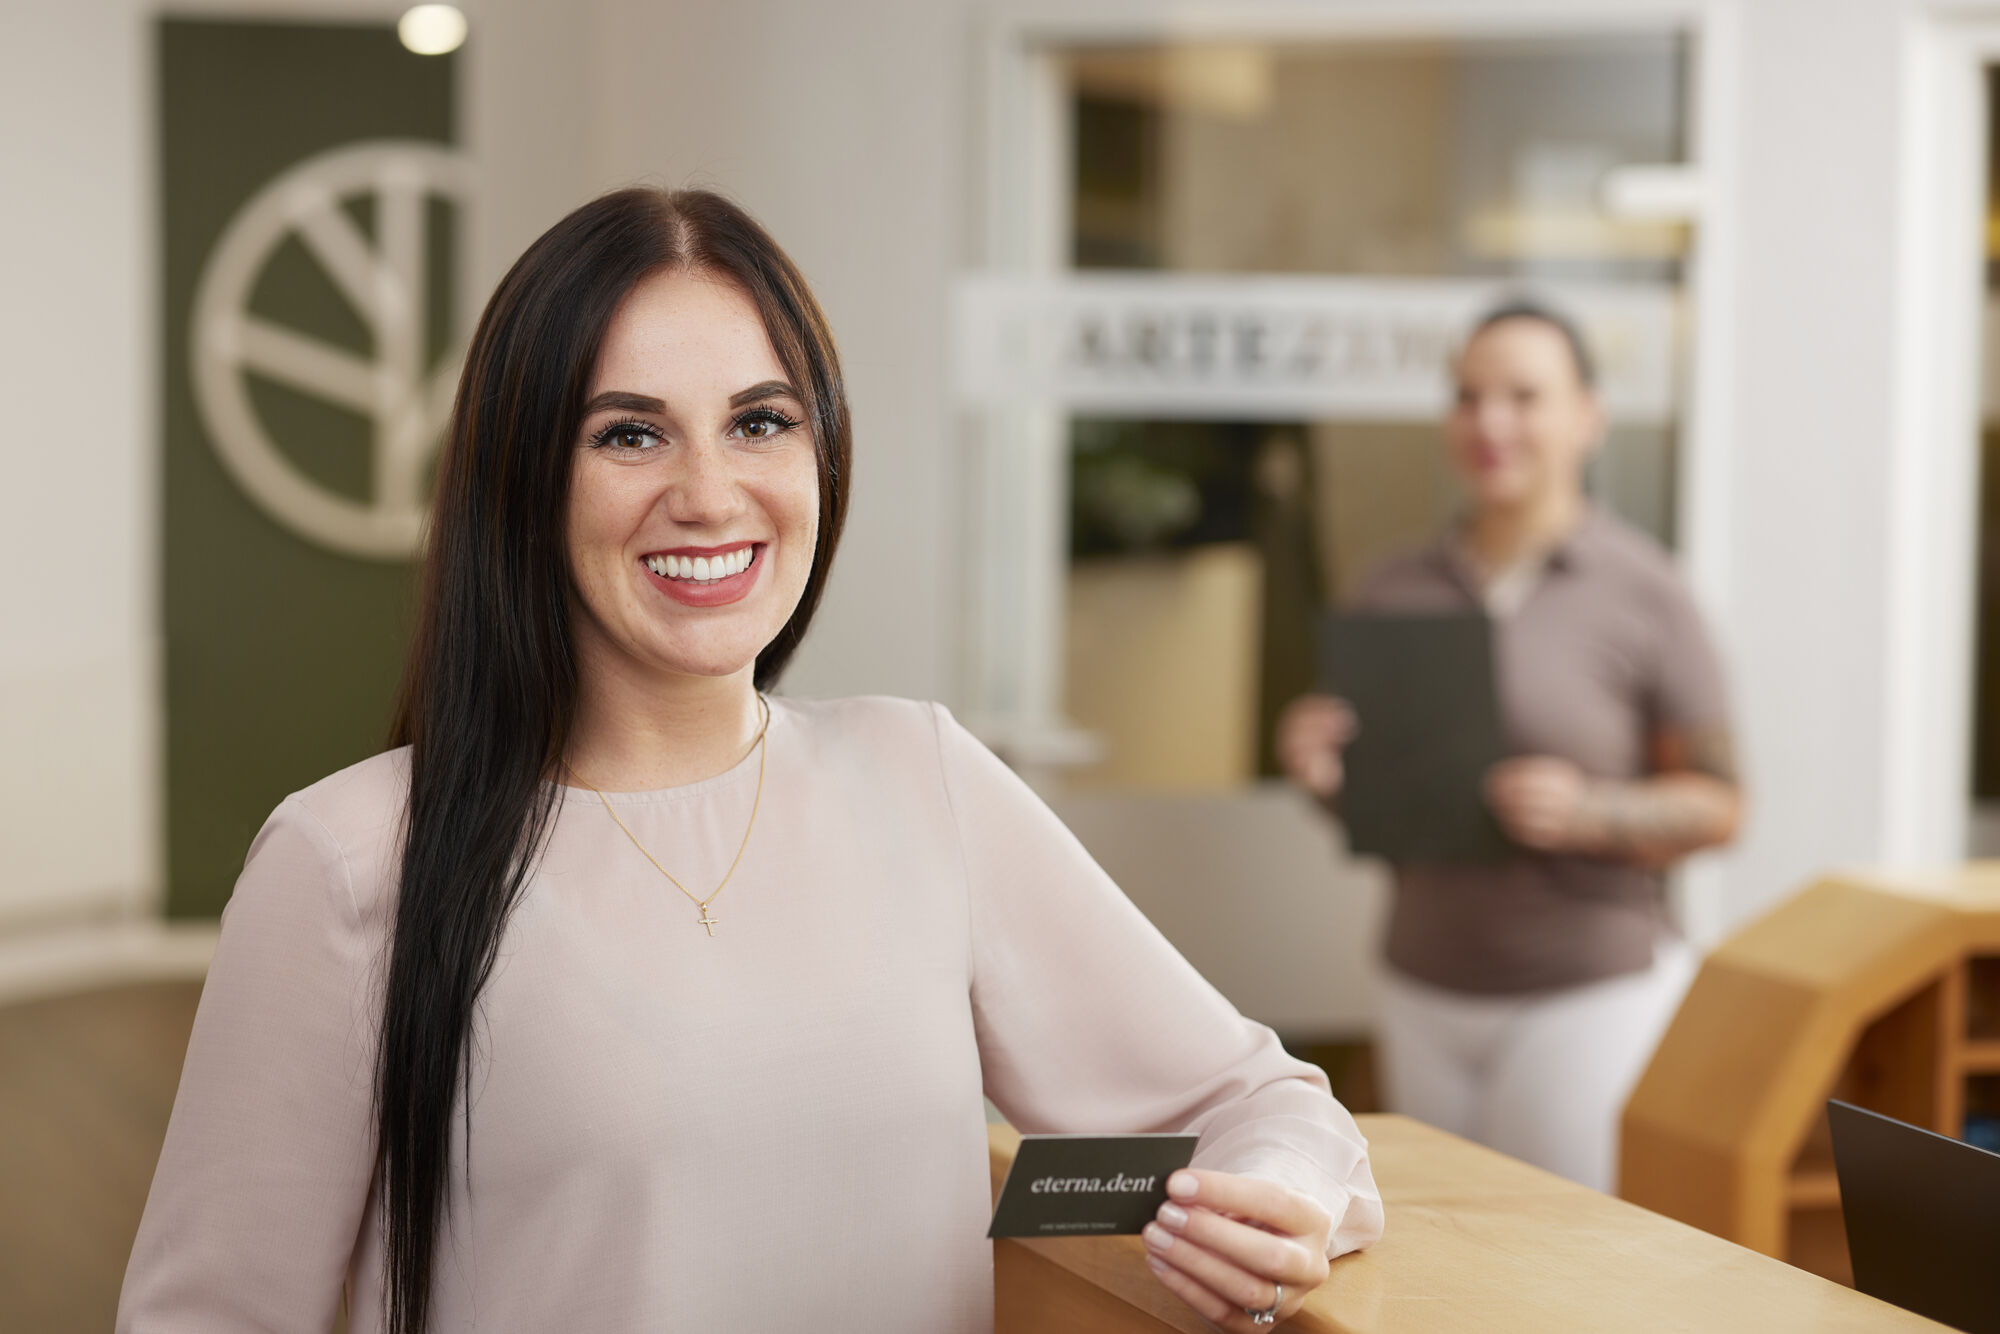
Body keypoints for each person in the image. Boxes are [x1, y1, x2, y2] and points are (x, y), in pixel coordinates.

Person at [118, 188, 1382, 1334]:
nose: (711, 493)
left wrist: (1279, 1198)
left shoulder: (920, 778)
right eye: (629, 435)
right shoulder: (348, 860)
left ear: (818, 449)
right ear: (521, 479)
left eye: (758, 421)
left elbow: (1264, 1103)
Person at [1276, 301, 1742, 1195]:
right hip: (1422, 981)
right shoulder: (1391, 585)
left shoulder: (1646, 592)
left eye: (1523, 396)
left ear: (1587, 419)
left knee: (1554, 1267)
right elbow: (1378, 797)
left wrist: (1591, 811)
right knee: (1439, 1257)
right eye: (1467, 396)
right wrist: (1319, 768)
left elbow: (1723, 802)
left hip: (1588, 992)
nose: (1490, 422)